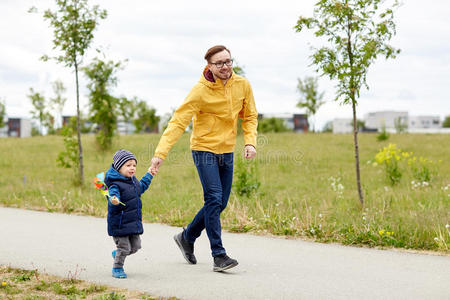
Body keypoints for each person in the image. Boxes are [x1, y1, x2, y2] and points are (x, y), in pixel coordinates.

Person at [149, 45, 258, 272]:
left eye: (228, 61)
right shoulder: (200, 91)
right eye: (220, 63)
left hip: (227, 149)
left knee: (219, 203)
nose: (226, 66)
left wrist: (250, 141)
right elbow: (178, 121)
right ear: (209, 66)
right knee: (214, 197)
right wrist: (160, 153)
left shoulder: (242, 85)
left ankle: (187, 236)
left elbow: (249, 116)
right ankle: (219, 255)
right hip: (204, 148)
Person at [105, 149, 153, 278]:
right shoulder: (115, 183)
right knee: (125, 248)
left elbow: (141, 187)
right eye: (128, 165)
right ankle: (117, 268)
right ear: (119, 167)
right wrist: (114, 200)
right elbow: (112, 195)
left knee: (136, 247)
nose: (132, 168)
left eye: (134, 165)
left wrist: (149, 174)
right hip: (120, 223)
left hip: (132, 222)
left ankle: (118, 254)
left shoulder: (132, 181)